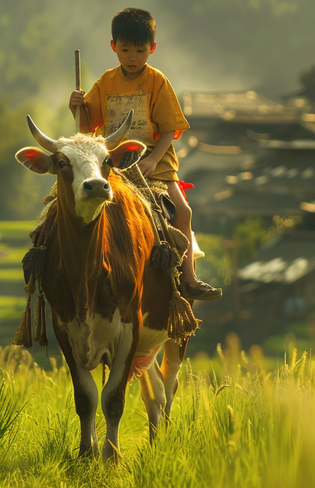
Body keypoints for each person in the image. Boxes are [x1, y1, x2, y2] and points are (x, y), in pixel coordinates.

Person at [69, 8, 221, 301]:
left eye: (140, 50)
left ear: (152, 48)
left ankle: (188, 278)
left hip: (155, 160)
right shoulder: (106, 82)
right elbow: (87, 125)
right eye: (125, 50)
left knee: (184, 212)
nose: (133, 57)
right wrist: (75, 105)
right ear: (114, 47)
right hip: (112, 159)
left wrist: (152, 160)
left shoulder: (157, 81)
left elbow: (169, 129)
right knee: (69, 204)